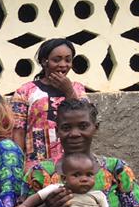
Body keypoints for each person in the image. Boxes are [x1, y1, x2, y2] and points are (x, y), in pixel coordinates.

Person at [10, 38, 89, 170]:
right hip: (36, 166)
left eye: (68, 60)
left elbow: (86, 120)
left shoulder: (78, 89)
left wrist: (69, 91)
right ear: (44, 61)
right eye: (56, 60)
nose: (63, 64)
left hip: (73, 165)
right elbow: (17, 132)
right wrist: (17, 166)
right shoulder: (26, 91)